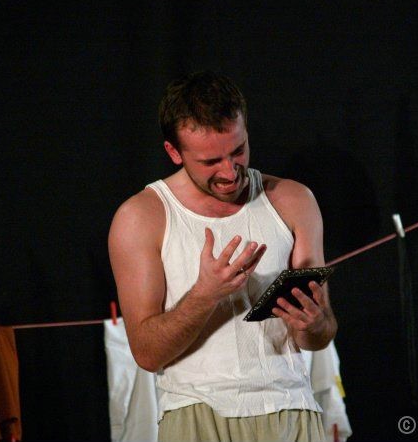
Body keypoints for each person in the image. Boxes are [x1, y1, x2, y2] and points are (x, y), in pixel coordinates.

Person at [108, 71, 338, 442]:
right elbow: (147, 354)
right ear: (174, 152)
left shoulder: (293, 200)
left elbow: (321, 334)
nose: (230, 172)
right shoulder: (141, 217)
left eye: (238, 151)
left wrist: (312, 324)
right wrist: (206, 294)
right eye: (211, 161)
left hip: (291, 408)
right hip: (197, 414)